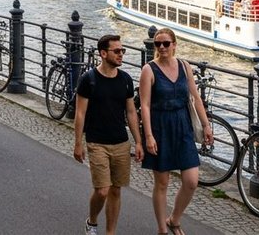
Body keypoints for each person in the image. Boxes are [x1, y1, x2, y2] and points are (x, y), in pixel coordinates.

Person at [139, 28, 211, 235]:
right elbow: (144, 105)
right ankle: (162, 228)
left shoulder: (184, 66)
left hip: (183, 125)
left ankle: (174, 219)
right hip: (160, 126)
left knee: (191, 181)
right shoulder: (149, 70)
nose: (162, 47)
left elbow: (195, 98)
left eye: (166, 43)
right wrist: (149, 136)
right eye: (158, 44)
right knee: (162, 182)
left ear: (174, 44)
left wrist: (206, 125)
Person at [74, 35, 142, 235]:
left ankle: (110, 232)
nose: (121, 54)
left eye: (123, 51)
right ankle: (92, 221)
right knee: (102, 189)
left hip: (121, 142)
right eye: (117, 51)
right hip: (97, 142)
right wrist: (78, 143)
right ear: (103, 54)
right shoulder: (89, 80)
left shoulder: (126, 80)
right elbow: (80, 113)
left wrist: (138, 141)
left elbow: (130, 112)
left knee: (116, 190)